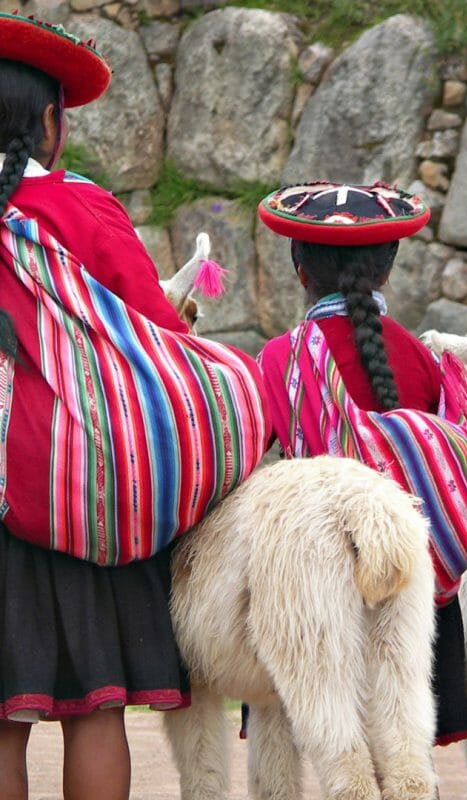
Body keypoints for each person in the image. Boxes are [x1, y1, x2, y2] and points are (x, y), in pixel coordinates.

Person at [0, 12, 270, 800]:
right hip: (85, 498)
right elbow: (151, 325)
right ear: (51, 124)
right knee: (94, 711)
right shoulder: (83, 210)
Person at [256, 180, 467, 749]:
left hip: (316, 588)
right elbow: (448, 461)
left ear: (299, 269)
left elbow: (249, 465)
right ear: (387, 271)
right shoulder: (424, 359)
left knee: (339, 759)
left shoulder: (281, 360)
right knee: (406, 754)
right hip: (413, 584)